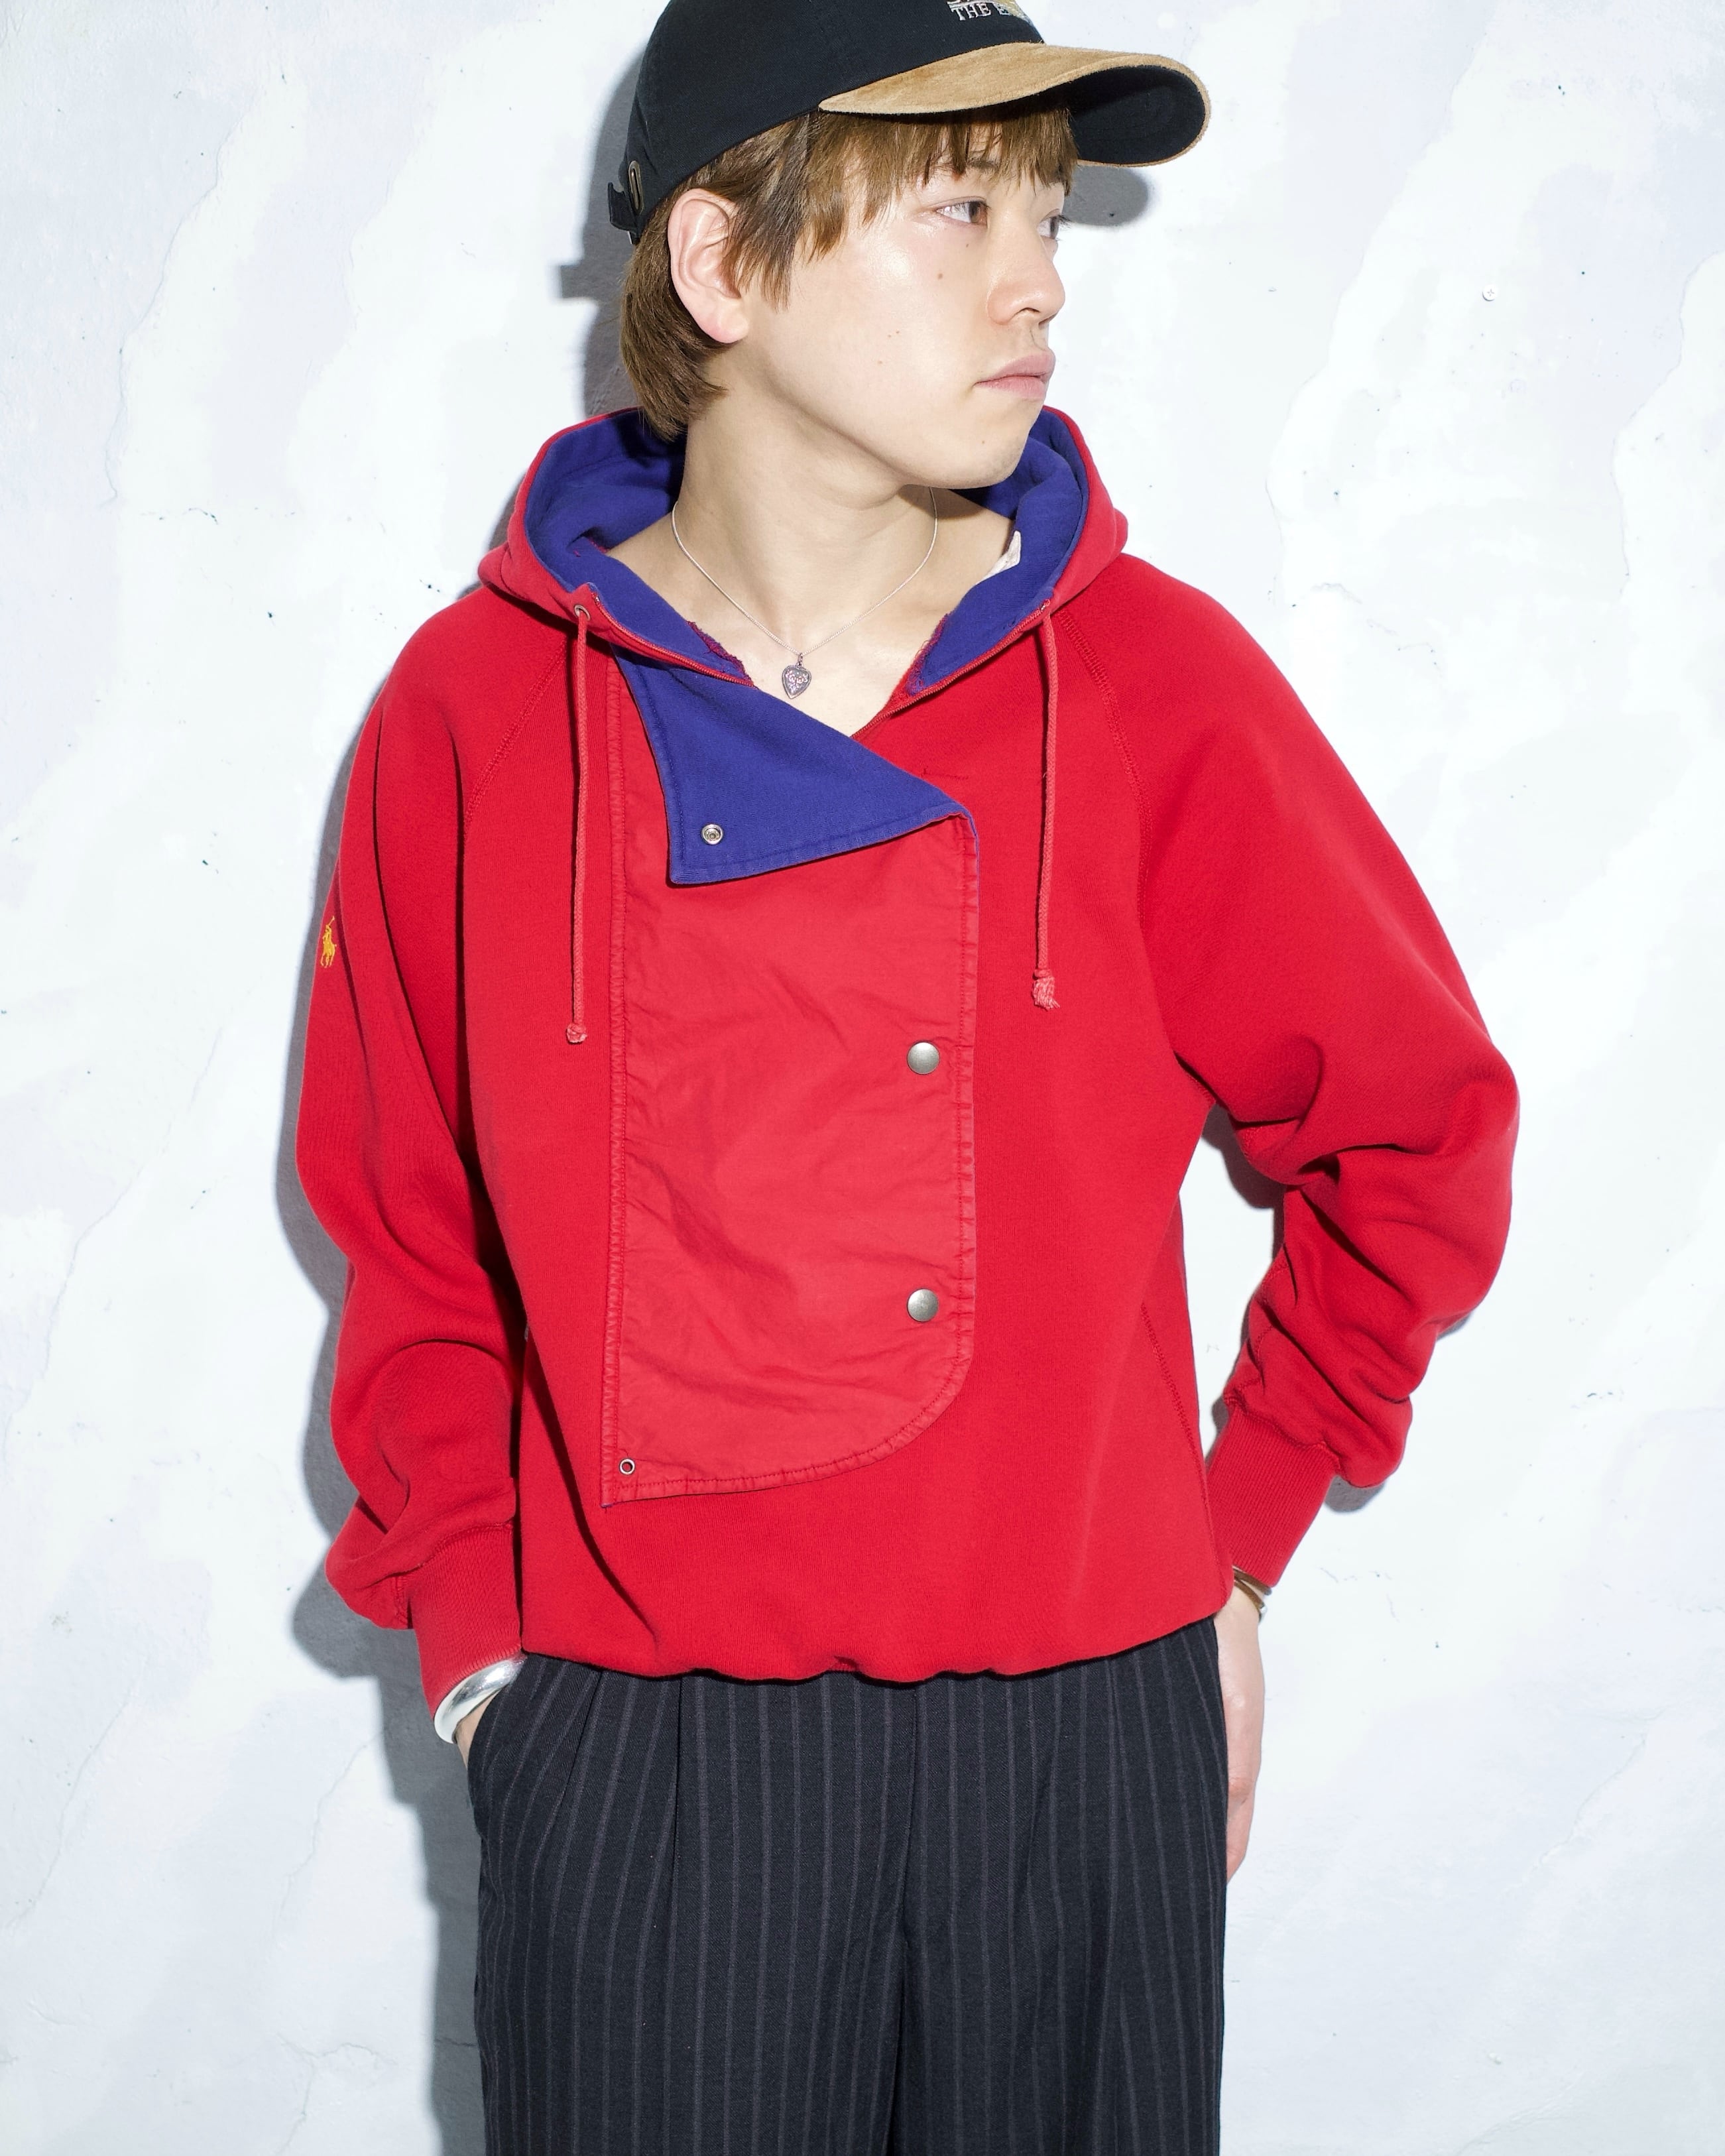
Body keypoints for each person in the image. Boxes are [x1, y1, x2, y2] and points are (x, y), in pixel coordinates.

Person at [295, 1, 1518, 2149]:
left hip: (1078, 1745)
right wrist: (488, 1656)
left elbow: (1414, 1129)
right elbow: (413, 1233)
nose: (1038, 280)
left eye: (1044, 214)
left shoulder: (1149, 685)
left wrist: (1229, 1547)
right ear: (722, 263)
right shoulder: (473, 713)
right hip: (644, 1750)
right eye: (958, 211)